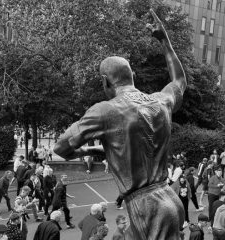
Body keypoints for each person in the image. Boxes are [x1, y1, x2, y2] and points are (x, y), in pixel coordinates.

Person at [53, 9, 187, 239]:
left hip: (147, 207)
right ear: (132, 75)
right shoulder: (160, 101)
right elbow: (179, 80)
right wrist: (164, 40)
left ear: (105, 82)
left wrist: (87, 147)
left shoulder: (105, 110)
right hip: (169, 198)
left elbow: (61, 148)